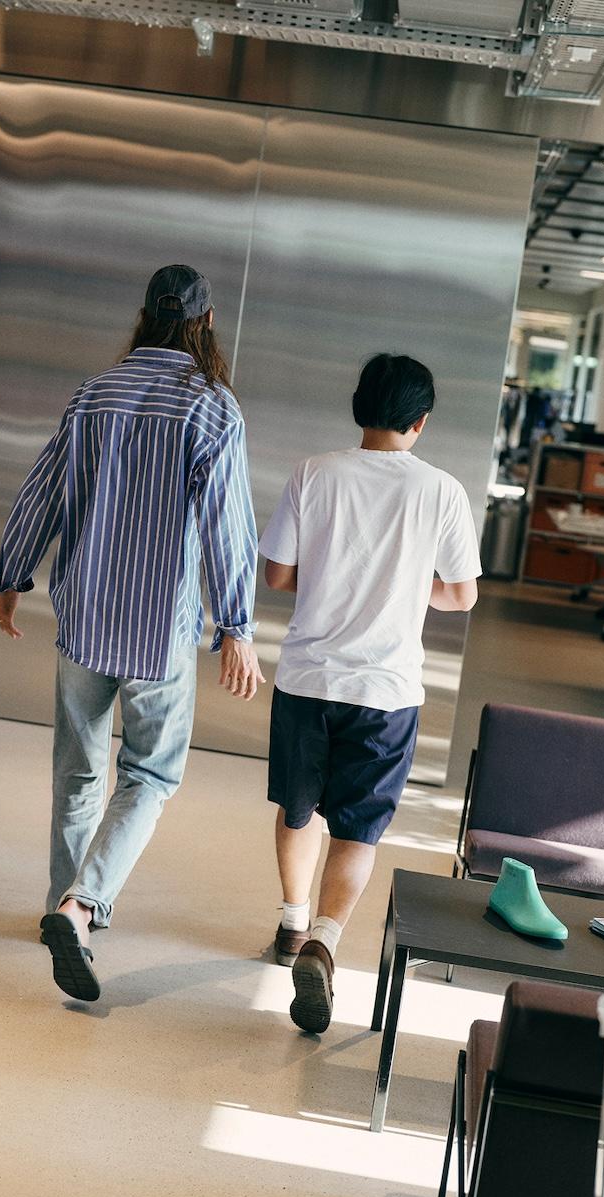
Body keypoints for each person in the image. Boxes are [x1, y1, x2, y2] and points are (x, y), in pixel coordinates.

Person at [0, 265, 263, 1003]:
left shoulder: (95, 393)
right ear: (206, 322)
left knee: (78, 770)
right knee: (151, 774)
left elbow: (44, 487)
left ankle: (61, 905)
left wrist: (12, 574)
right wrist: (236, 625)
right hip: (159, 628)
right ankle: (81, 906)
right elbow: (229, 525)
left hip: (84, 615)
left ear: (144, 316)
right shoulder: (212, 407)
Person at [258, 353, 481, 1034]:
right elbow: (463, 595)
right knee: (358, 828)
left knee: (299, 808)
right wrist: (409, 589)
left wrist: (332, 582)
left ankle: (292, 923)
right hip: (386, 690)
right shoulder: (442, 490)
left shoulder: (314, 472)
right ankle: (325, 941)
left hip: (307, 679)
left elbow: (277, 575)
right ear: (421, 421)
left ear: (360, 406)